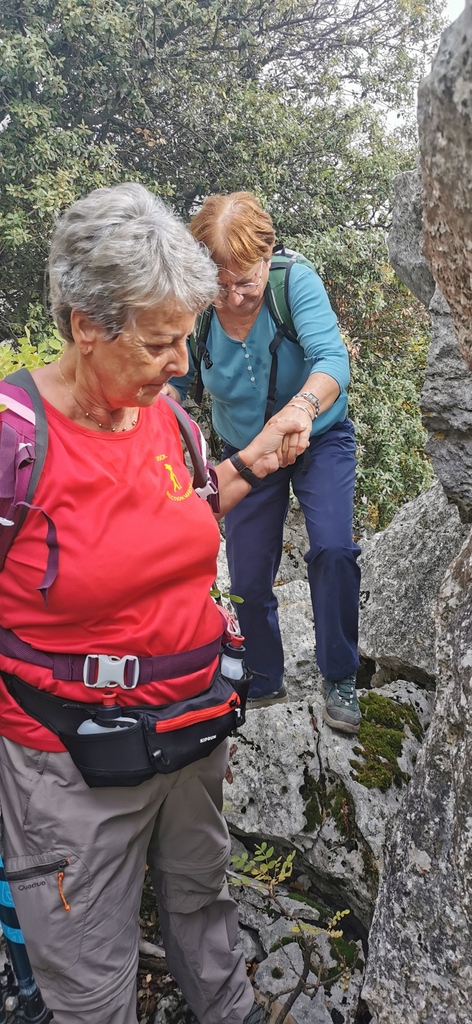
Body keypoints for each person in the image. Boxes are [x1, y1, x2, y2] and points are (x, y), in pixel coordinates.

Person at [0, 183, 311, 1024]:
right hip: (73, 760)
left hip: (191, 732)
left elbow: (186, 510)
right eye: (161, 343)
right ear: (84, 325)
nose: (182, 364)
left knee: (203, 904)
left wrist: (258, 458)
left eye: (187, 339)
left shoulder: (165, 417)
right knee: (91, 978)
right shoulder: (13, 442)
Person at [164, 192, 361, 734]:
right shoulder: (198, 304)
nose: (233, 296)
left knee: (333, 548)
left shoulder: (292, 282)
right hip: (246, 454)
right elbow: (173, 381)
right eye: (219, 283)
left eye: (245, 280)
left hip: (316, 437)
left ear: (267, 255)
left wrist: (301, 409)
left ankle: (340, 673)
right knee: (248, 573)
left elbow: (332, 358)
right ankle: (264, 674)